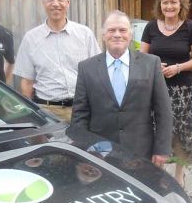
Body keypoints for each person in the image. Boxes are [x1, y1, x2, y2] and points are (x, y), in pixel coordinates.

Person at [71, 10, 173, 166]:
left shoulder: (151, 63)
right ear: (103, 35)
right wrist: (82, 150)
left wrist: (162, 149)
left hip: (142, 151)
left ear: (130, 35)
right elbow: (80, 114)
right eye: (111, 30)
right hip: (100, 152)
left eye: (122, 30)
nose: (117, 34)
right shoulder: (86, 68)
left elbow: (163, 111)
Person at [140, 0, 192, 186]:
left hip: (182, 90)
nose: (169, 6)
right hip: (155, 90)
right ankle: (159, 171)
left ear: (180, 4)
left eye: (173, 2)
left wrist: (178, 67)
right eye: (165, 2)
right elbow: (142, 57)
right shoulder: (150, 27)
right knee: (156, 129)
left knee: (180, 132)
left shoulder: (191, 28)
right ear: (160, 4)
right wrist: (155, 66)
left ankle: (179, 173)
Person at [13, 0, 101, 122]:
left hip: (82, 110)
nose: (55, 3)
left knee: (84, 144)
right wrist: (32, 117)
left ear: (68, 2)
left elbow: (98, 74)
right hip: (48, 113)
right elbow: (27, 83)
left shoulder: (85, 35)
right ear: (43, 2)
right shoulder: (31, 39)